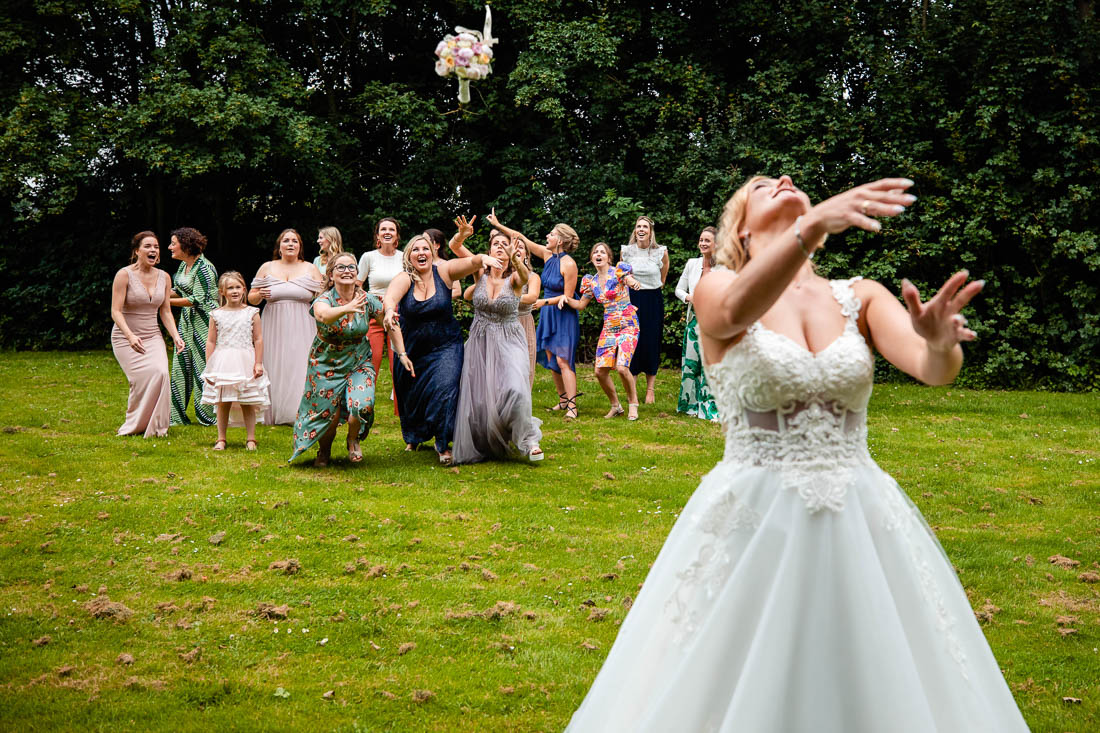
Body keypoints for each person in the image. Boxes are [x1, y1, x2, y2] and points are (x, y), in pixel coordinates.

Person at [565, 175, 1029, 732]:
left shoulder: (861, 295)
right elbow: (732, 311)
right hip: (755, 516)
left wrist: (939, 343)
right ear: (741, 226)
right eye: (763, 185)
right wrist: (810, 229)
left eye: (788, 182)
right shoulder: (718, 286)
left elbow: (932, 370)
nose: (783, 180)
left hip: (861, 512)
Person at [383, 233, 501, 465]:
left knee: (446, 390)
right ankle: (415, 436)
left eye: (425, 249)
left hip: (446, 345)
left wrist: (482, 259)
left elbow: (470, 262)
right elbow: (390, 300)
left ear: (433, 252)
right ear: (409, 255)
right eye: (415, 250)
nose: (421, 253)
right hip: (412, 348)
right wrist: (389, 311)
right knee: (412, 396)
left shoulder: (444, 272)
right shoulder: (404, 278)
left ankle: (443, 443)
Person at [448, 219, 543, 463]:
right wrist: (462, 235)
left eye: (505, 243)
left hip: (509, 339)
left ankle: (529, 441)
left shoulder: (515, 279)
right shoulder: (480, 272)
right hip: (480, 339)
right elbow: (455, 248)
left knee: (516, 389)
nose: (500, 247)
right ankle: (486, 441)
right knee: (480, 397)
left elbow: (524, 276)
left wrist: (516, 260)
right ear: (489, 250)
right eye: (496, 244)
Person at [290, 252, 386, 466]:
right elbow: (323, 315)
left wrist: (402, 349)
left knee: (362, 404)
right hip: (326, 362)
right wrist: (346, 308)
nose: (347, 271)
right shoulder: (324, 299)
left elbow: (387, 321)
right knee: (327, 414)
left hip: (359, 361)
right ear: (331, 275)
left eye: (351, 267)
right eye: (340, 268)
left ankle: (353, 439)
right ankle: (324, 451)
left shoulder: (368, 299)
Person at [486, 209, 581, 419]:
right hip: (547, 313)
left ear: (561, 240)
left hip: (562, 314)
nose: (547, 236)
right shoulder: (548, 255)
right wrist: (499, 225)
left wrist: (542, 301)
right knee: (550, 356)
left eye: (551, 234)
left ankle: (573, 406)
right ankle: (563, 399)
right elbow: (521, 238)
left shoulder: (569, 264)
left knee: (564, 360)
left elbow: (568, 297)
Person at [110, 231, 185, 437]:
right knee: (140, 380)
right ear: (137, 251)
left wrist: (176, 336)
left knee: (160, 373)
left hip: (152, 336)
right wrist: (130, 336)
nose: (153, 250)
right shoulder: (124, 275)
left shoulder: (164, 277)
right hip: (125, 337)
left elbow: (166, 311)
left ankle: (157, 426)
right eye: (148, 246)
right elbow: (115, 311)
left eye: (156, 247)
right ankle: (135, 424)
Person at [249, 229, 324, 425]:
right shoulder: (267, 267)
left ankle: (300, 410)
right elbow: (251, 298)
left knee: (300, 363)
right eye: (286, 241)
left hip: (303, 323)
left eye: (295, 241)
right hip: (273, 321)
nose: (290, 244)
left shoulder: (310, 268)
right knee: (274, 362)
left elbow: (324, 297)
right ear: (279, 247)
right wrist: (260, 295)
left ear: (300, 247)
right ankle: (271, 410)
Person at [565, 242, 640, 420]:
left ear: (608, 257)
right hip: (609, 328)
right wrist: (563, 298)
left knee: (622, 368)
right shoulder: (591, 282)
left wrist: (633, 282)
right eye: (595, 252)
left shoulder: (619, 272)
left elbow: (628, 279)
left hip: (628, 324)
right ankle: (616, 406)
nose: (598, 255)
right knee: (600, 371)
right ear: (592, 258)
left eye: (602, 252)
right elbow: (581, 305)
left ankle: (633, 404)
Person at [200, 271, 270, 451]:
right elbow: (211, 341)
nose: (234, 291)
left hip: (245, 359)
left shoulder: (252, 312)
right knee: (223, 400)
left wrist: (258, 362)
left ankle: (251, 439)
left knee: (247, 400)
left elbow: (258, 339)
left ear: (244, 290)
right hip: (223, 361)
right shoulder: (216, 314)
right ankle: (221, 438)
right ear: (222, 292)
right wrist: (210, 366)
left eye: (238, 287)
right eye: (230, 288)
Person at [168, 226, 218, 426]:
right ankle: (177, 417)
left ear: (186, 246)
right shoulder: (184, 266)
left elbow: (197, 299)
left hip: (205, 324)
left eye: (173, 243)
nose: (170, 247)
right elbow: (178, 291)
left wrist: (163, 302)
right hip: (186, 322)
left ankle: (207, 416)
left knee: (202, 368)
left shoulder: (205, 268)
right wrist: (153, 294)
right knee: (180, 366)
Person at [620, 215, 668, 405]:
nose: (641, 230)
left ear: (650, 231)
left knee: (651, 342)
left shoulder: (659, 251)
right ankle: (632, 388)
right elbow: (621, 274)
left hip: (652, 299)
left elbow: (664, 275)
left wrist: (657, 285)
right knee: (633, 342)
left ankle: (650, 389)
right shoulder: (627, 251)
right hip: (632, 299)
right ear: (635, 230)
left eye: (645, 227)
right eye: (638, 226)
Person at [674, 226, 720, 421]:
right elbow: (678, 289)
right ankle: (689, 405)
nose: (702, 243)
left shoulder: (725, 267)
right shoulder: (692, 264)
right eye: (701, 240)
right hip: (693, 322)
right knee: (691, 365)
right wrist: (689, 298)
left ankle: (709, 407)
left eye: (707, 241)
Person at [357, 218, 403, 401]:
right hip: (374, 310)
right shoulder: (369, 257)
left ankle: (402, 407)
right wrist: (368, 302)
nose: (387, 232)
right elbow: (357, 285)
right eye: (383, 229)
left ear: (397, 235)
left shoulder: (404, 256)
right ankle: (364, 403)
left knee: (397, 359)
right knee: (372, 358)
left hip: (398, 310)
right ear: (377, 235)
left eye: (391, 229)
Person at [424, 227, 464, 298]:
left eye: (426, 240)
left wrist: (435, 299)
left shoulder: (447, 265)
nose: (422, 243)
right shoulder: (419, 265)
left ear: (437, 245)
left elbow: (457, 291)